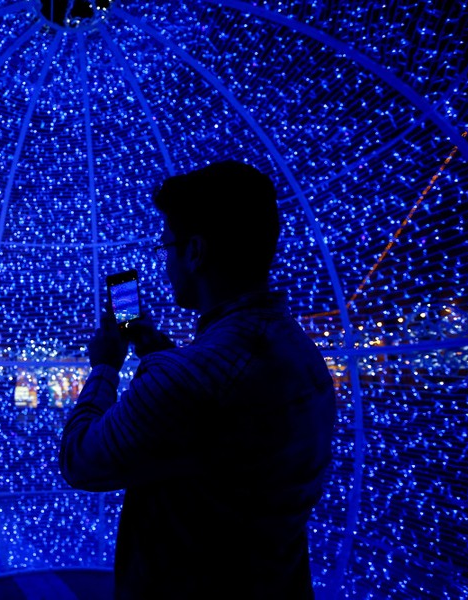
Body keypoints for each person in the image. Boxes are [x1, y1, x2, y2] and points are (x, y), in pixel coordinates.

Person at [59, 160, 336, 598]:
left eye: (167, 246)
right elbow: (210, 425)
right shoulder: (301, 352)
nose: (167, 263)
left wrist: (105, 365)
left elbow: (78, 459)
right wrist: (154, 346)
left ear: (195, 252)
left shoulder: (185, 380)